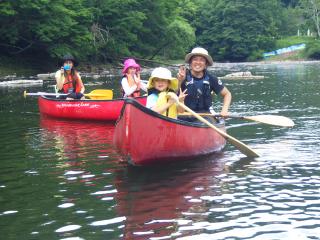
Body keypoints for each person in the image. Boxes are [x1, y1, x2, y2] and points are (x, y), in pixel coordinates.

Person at [177, 47, 232, 117]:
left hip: (205, 116)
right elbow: (173, 94)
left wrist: (224, 110)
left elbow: (227, 94)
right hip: (183, 114)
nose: (198, 62)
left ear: (206, 64)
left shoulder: (211, 79)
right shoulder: (182, 76)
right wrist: (180, 81)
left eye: (202, 60)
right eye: (195, 59)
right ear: (190, 63)